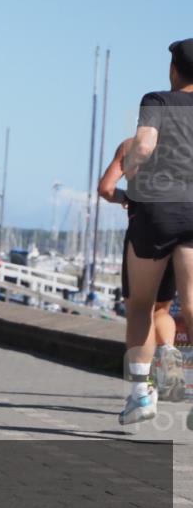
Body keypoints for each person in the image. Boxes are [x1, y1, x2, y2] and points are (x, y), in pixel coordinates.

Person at [117, 38, 193, 425]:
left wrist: (131, 169)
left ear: (173, 70)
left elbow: (145, 145)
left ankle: (140, 396)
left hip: (157, 209)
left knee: (142, 306)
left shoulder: (158, 101)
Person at [98, 138, 183, 400]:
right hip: (182, 230)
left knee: (140, 307)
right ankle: (167, 347)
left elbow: (105, 188)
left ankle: (141, 389)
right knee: (162, 308)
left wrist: (127, 198)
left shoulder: (129, 146)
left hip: (144, 233)